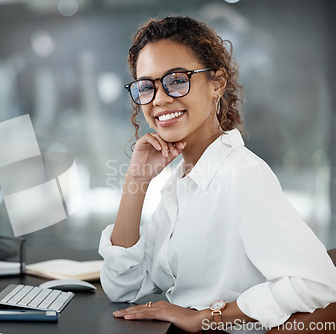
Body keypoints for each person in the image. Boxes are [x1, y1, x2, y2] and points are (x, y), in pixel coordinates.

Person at [98, 16, 336, 333]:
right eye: (146, 86)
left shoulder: (241, 175)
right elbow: (123, 288)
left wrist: (206, 316)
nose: (160, 99)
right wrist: (136, 182)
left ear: (217, 83)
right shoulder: (180, 181)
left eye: (177, 79)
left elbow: (317, 282)